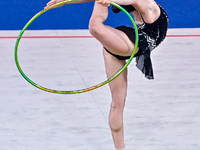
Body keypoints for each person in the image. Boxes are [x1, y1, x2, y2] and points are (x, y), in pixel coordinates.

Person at [46, 0, 168, 149]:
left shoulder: (145, 3)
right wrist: (64, 1)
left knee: (95, 26)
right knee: (117, 104)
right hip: (122, 43)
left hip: (133, 42)